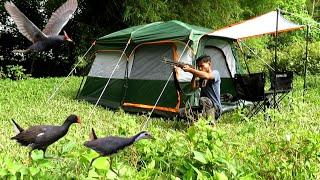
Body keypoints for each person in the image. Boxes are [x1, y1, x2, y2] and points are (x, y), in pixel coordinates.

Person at [179, 55, 222, 124]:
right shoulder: (202, 78)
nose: (200, 68)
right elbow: (193, 87)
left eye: (202, 65)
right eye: (199, 66)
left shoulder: (215, 73)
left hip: (216, 109)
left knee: (204, 99)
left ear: (209, 63)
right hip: (203, 107)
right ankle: (198, 121)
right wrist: (194, 75)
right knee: (181, 112)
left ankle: (211, 123)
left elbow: (207, 75)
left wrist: (190, 70)